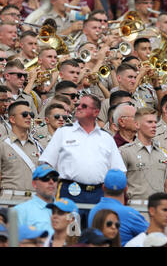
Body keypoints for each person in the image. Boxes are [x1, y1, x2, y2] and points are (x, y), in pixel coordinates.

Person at [39, 94, 126, 228]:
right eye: (79, 104)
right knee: (69, 235)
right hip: (68, 192)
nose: (78, 107)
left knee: (95, 236)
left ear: (96, 112)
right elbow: (46, 163)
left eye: (84, 106)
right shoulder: (63, 132)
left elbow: (118, 170)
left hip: (98, 194)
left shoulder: (106, 137)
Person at [120, 108, 167, 205]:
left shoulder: (163, 154)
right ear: (137, 125)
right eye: (149, 122)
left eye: (155, 122)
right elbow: (119, 186)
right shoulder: (125, 151)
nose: (154, 126)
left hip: (160, 210)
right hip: (136, 209)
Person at [87, 169, 149, 246]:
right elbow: (153, 234)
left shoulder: (93, 210)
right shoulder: (130, 213)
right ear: (126, 189)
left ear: (103, 187)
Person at [0, 101, 44, 202]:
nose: (29, 117)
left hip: (34, 200)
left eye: (31, 114)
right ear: (12, 119)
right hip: (10, 199)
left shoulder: (38, 146)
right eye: (24, 114)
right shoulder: (2, 145)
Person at [14, 164, 59, 236]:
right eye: (46, 178)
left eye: (55, 178)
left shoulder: (66, 209)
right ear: (34, 184)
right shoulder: (19, 211)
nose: (51, 182)